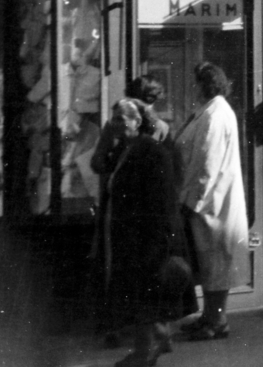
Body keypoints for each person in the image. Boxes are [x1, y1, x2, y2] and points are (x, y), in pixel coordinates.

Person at [100, 98, 189, 367]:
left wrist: (158, 239)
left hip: (147, 236)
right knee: (140, 293)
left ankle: (144, 350)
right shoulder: (125, 150)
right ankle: (155, 341)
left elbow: (163, 199)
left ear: (138, 121)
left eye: (120, 119)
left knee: (144, 291)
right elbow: (101, 167)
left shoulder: (151, 151)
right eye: (114, 119)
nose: (115, 124)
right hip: (128, 234)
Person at [174, 61, 248, 341]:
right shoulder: (210, 111)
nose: (192, 87)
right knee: (211, 264)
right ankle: (210, 316)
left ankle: (217, 321)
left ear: (204, 84)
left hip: (212, 204)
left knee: (215, 263)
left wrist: (191, 202)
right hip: (210, 203)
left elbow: (206, 163)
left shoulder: (214, 115)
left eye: (195, 82)